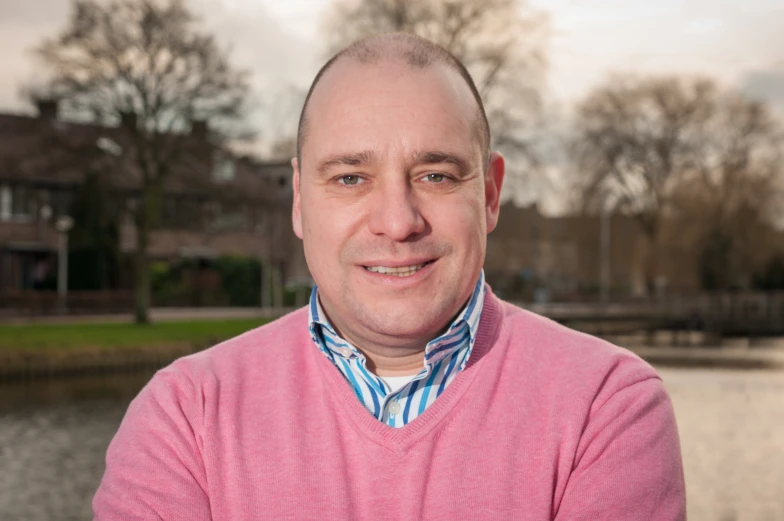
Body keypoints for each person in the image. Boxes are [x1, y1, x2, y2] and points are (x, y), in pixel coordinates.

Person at [93, 33, 686, 520]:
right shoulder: (186, 417)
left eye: (436, 175)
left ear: (490, 194)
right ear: (300, 200)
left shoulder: (605, 409)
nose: (398, 222)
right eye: (350, 178)